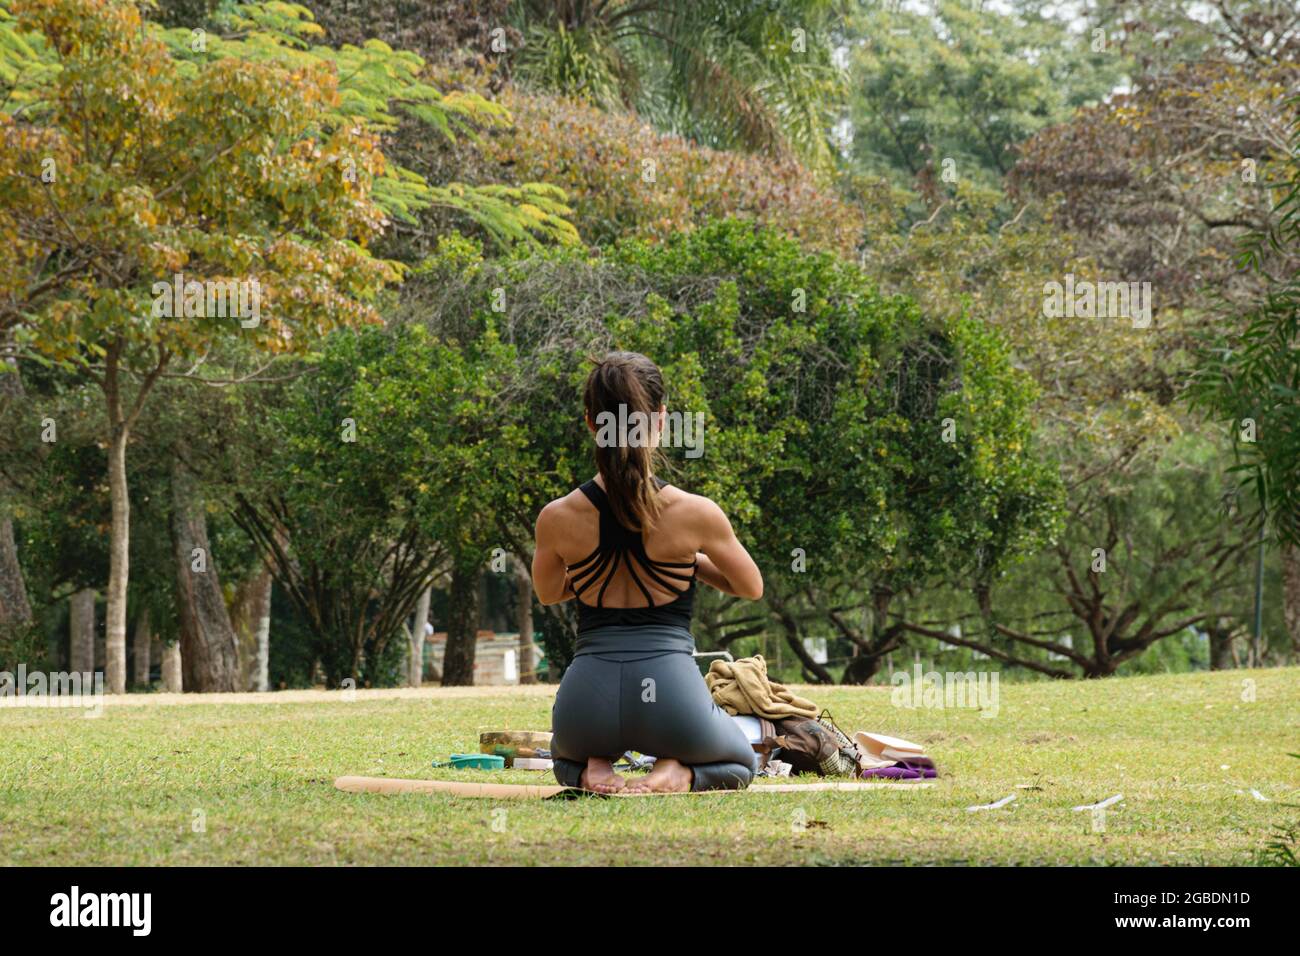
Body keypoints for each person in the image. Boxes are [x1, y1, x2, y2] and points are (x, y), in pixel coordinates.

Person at [532, 351, 764, 793]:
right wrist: (686, 562)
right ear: (660, 419)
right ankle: (675, 771)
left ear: (589, 422)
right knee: (739, 761)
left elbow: (548, 592)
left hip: (586, 703)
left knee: (563, 758)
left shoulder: (557, 517)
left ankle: (591, 769)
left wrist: (590, 570)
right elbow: (749, 586)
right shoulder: (695, 513)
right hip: (672, 701)